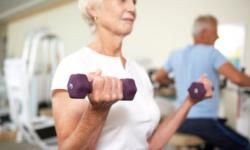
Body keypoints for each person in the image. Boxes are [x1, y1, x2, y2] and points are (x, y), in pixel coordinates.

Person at [51, 0, 212, 149]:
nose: (132, 7)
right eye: (122, 0)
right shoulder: (73, 65)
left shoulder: (139, 72)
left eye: (134, 1)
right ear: (93, 9)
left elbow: (149, 144)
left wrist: (189, 102)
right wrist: (98, 111)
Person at [153, 15, 250, 150]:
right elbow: (238, 78)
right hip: (203, 121)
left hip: (180, 120)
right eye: (215, 32)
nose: (217, 37)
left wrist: (175, 81)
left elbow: (157, 77)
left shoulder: (176, 54)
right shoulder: (211, 53)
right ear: (204, 33)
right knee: (245, 145)